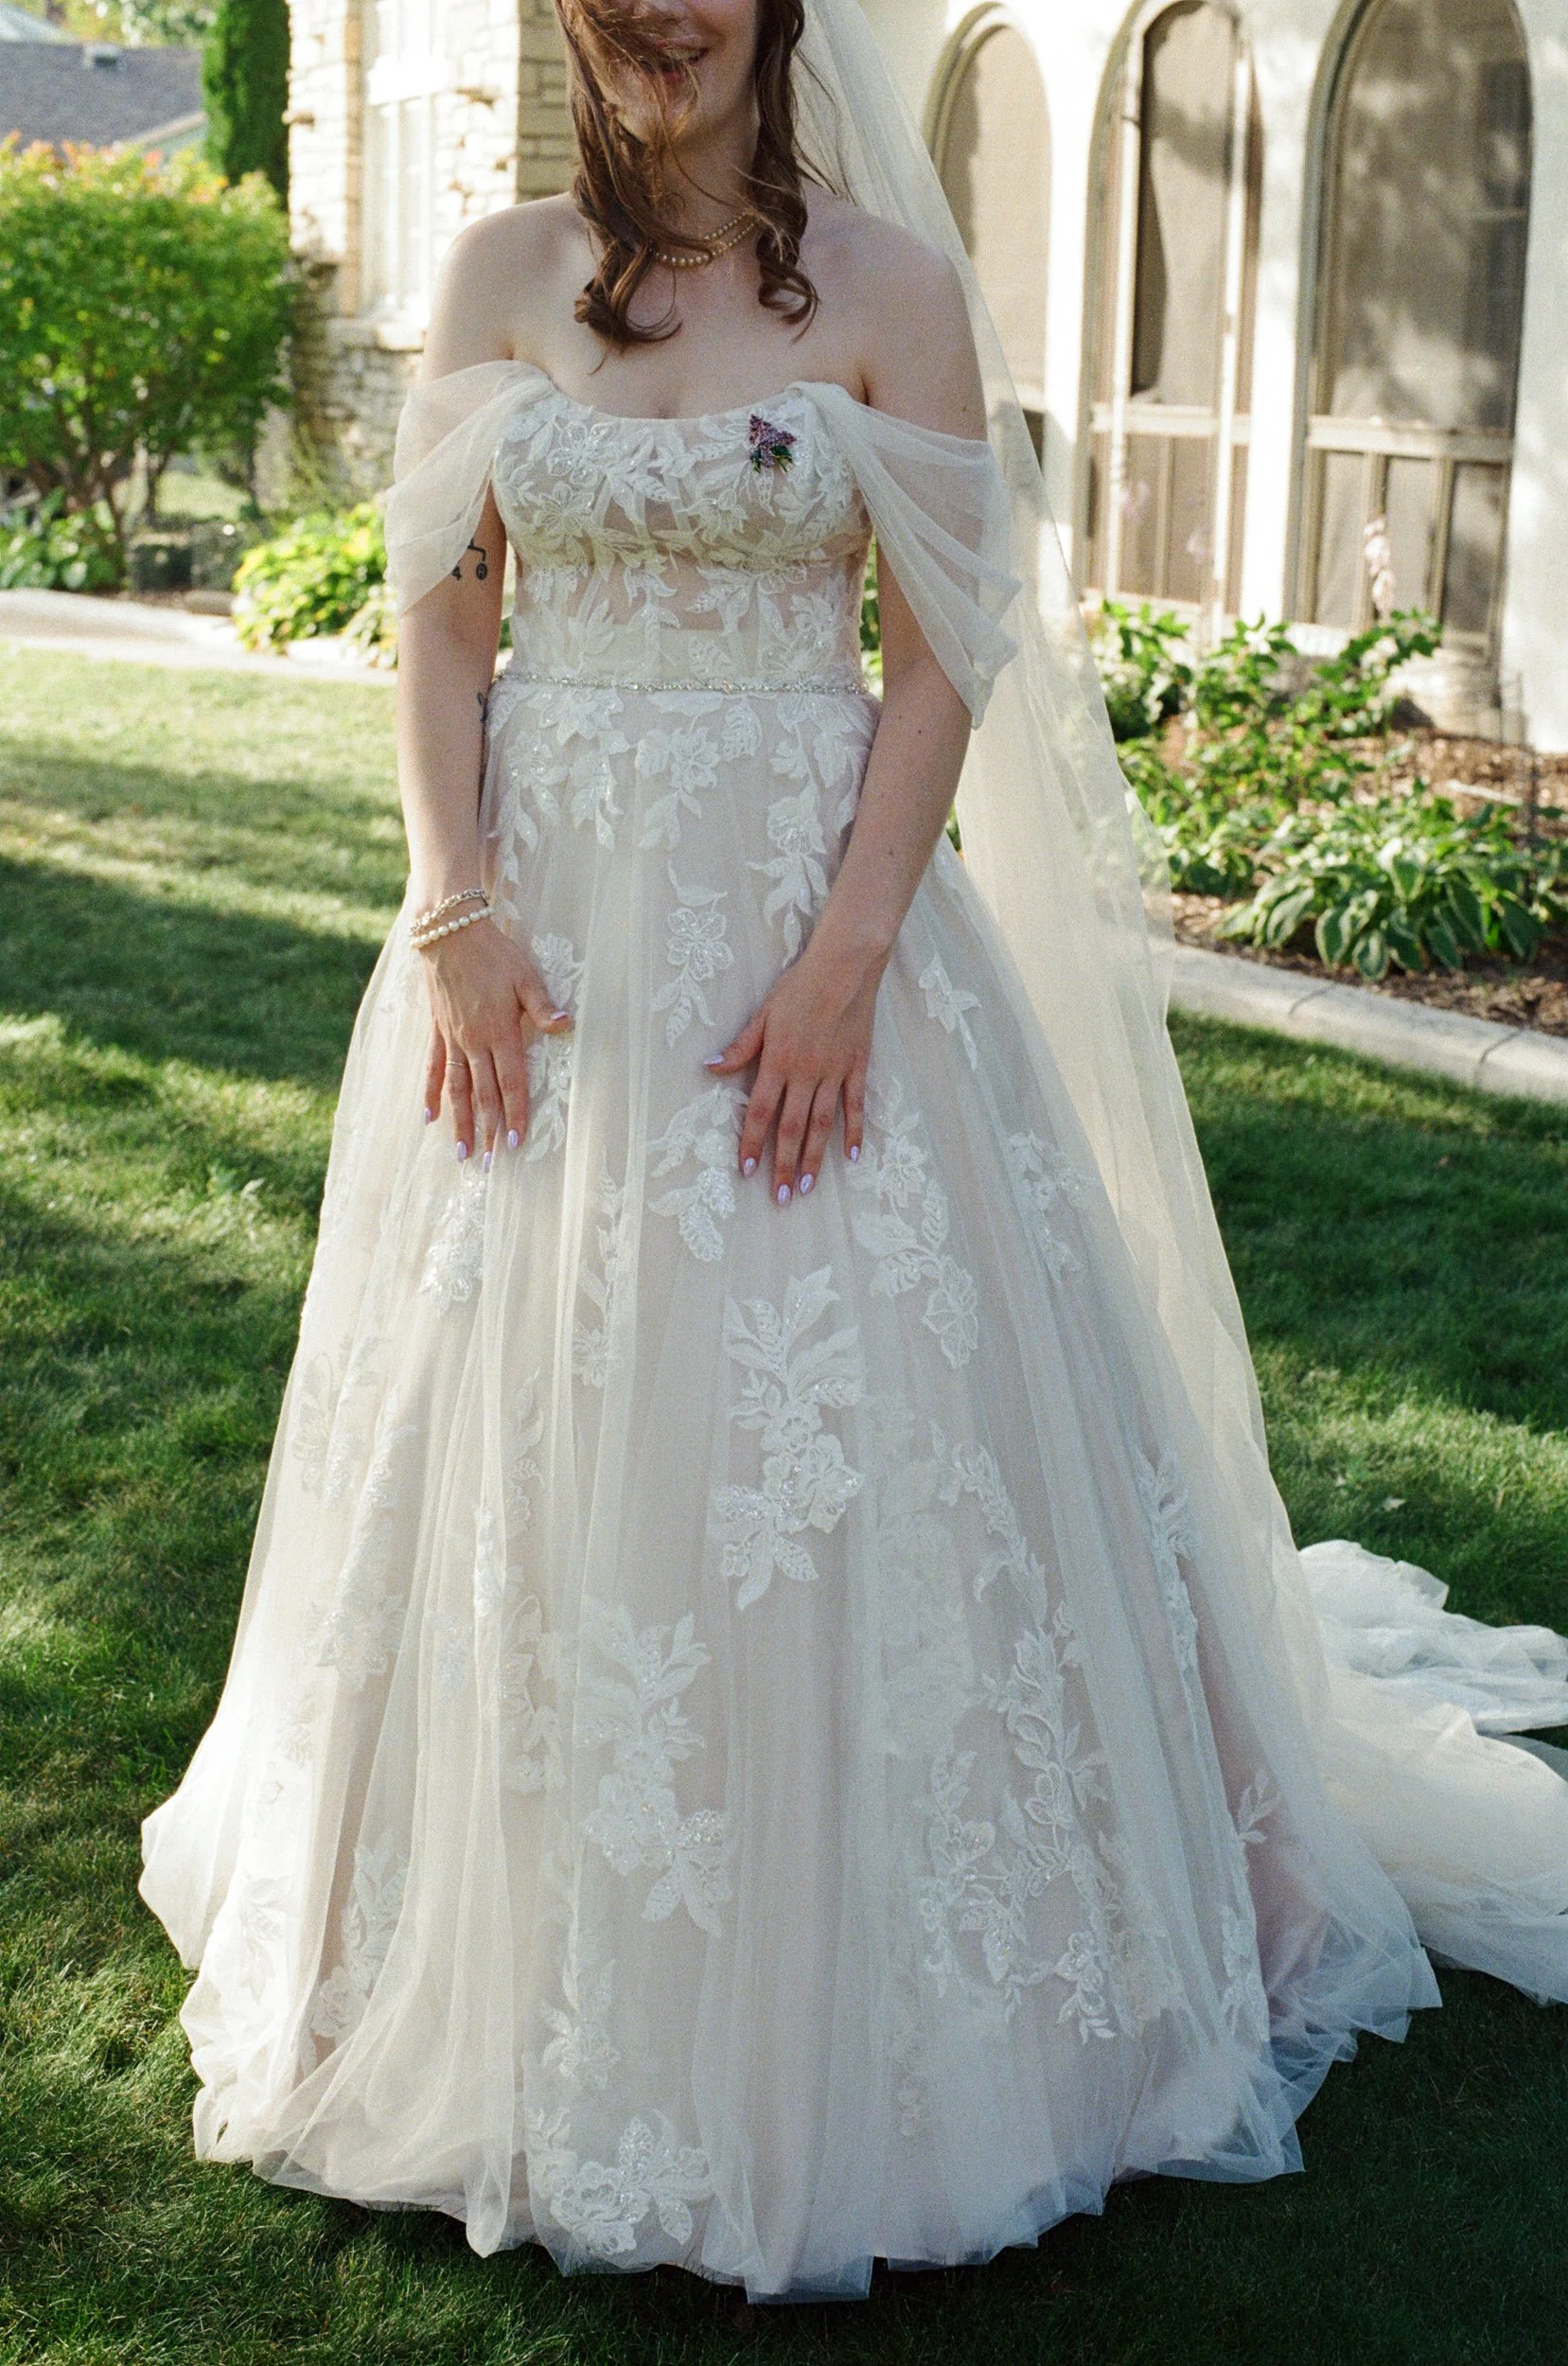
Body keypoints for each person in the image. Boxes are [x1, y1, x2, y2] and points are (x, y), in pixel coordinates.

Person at [140, 0, 1568, 2304]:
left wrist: (850, 958)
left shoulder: (897, 291)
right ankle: (491, 1962)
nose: (661, 16)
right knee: (531, 1410)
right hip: (548, 940)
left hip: (819, 917)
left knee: (832, 1416)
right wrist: (453, 902)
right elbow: (441, 599)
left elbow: (943, 642)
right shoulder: (505, 273)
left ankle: (911, 1995)